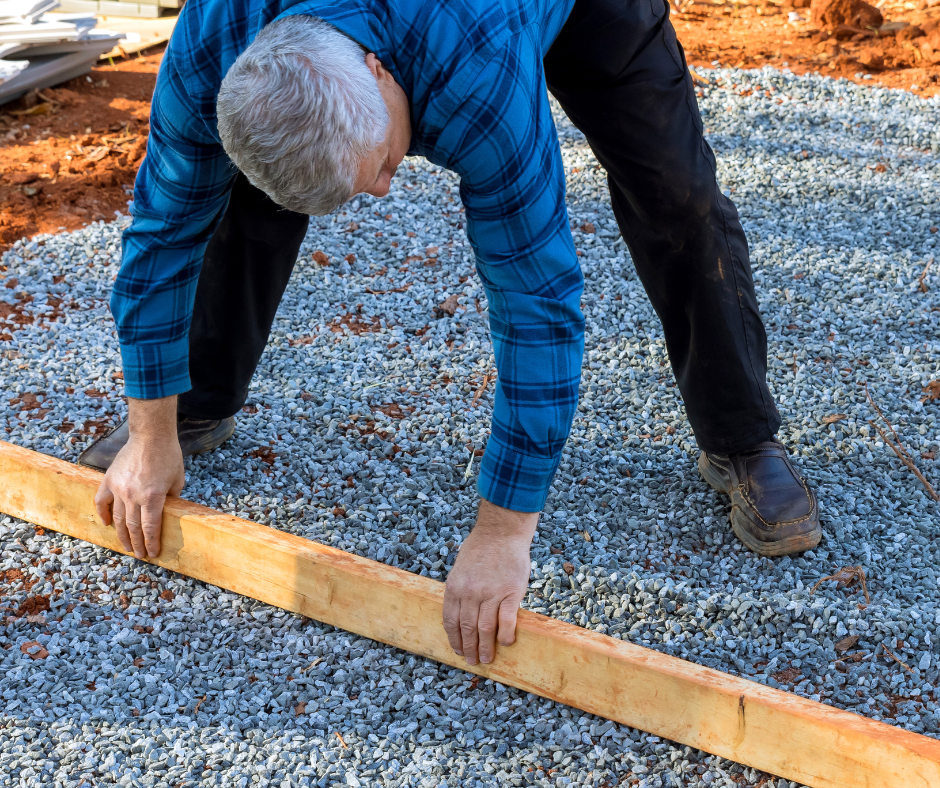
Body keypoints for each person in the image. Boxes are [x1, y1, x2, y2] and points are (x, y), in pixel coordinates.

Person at [83, 0, 821, 669]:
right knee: (247, 199)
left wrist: (503, 533)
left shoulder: (482, 76)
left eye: (376, 165)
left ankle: (741, 438)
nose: (381, 192)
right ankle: (195, 405)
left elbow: (537, 301)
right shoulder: (214, 37)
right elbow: (162, 236)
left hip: (554, 15)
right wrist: (150, 434)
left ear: (378, 74)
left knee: (677, 200)